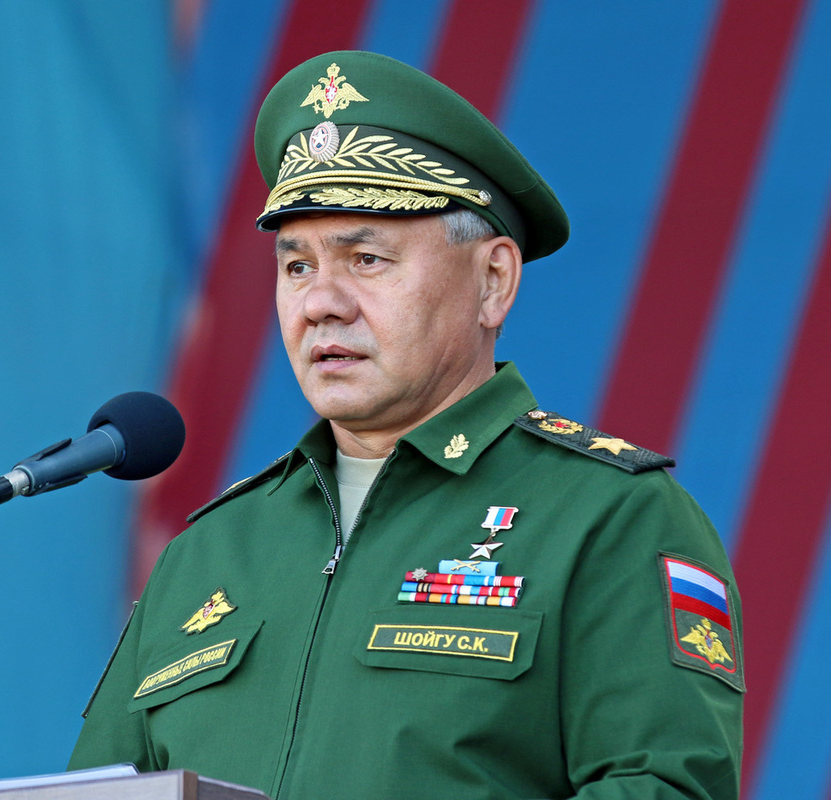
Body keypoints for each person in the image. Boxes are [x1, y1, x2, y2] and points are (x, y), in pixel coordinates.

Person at [68, 50, 743, 799]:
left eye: (366, 258)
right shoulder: (208, 551)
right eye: (296, 266)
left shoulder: (610, 518)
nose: (320, 303)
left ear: (493, 281)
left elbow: (668, 787)